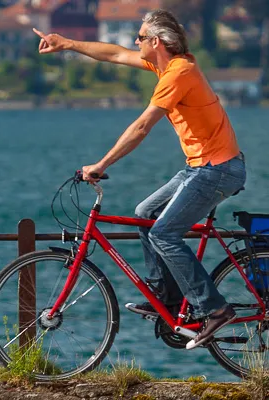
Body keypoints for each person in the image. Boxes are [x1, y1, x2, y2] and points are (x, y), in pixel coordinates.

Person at [33, 9, 245, 350]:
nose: (135, 42)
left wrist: (101, 163)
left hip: (217, 169)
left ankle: (216, 309)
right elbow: (113, 54)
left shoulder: (179, 73)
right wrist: (67, 43)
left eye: (141, 36)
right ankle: (169, 298)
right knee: (145, 212)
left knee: (164, 233)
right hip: (200, 167)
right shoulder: (163, 66)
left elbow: (142, 126)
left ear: (157, 42)